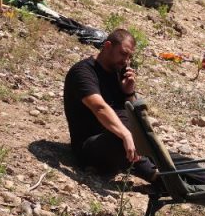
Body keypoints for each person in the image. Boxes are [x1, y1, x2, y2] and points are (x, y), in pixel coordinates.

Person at [63, 29, 157, 185]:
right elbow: (99, 107)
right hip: (91, 148)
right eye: (123, 53)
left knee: (168, 156)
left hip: (120, 142)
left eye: (129, 56)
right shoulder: (83, 72)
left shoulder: (117, 72)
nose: (126, 61)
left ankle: (203, 181)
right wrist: (126, 134)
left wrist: (128, 92)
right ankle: (157, 177)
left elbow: (130, 113)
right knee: (121, 138)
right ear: (107, 46)